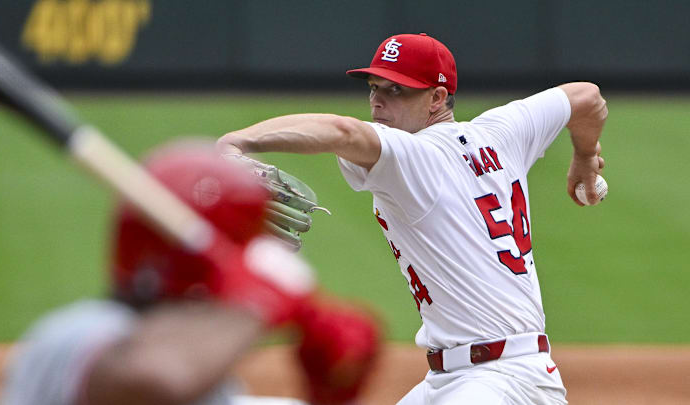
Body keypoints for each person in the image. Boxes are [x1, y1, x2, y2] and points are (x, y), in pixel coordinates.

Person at [216, 32, 607, 404]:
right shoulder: (501, 131)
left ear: (437, 97)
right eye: (374, 87)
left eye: (397, 90)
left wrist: (238, 141)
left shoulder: (415, 157)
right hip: (469, 378)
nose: (378, 102)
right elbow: (586, 97)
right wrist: (586, 157)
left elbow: (341, 131)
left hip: (497, 384)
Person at [0, 139, 380, 405]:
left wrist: (331, 396)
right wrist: (257, 303)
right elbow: (152, 380)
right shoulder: (75, 336)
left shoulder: (201, 369)